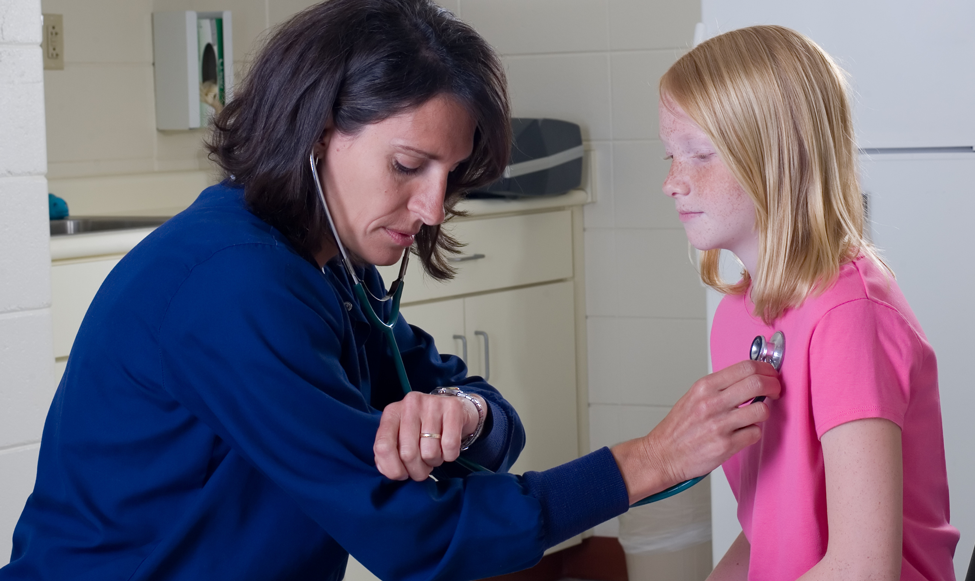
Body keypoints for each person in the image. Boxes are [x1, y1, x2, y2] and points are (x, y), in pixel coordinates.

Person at [0, 2, 781, 580]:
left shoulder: (330, 268)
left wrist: (461, 413)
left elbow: (480, 412)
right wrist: (647, 460)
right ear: (315, 132)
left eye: (451, 175)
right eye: (409, 167)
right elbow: (414, 535)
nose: (435, 207)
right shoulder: (230, 285)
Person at [658, 25, 959, 580]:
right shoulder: (738, 318)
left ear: (780, 159)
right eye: (670, 154)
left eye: (700, 154)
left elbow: (863, 569)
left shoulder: (850, 318)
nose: (672, 181)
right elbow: (765, 533)